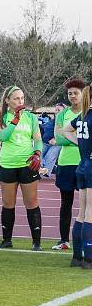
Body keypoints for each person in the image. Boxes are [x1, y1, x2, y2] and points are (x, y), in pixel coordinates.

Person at [0, 86, 43, 250]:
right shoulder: (1, 117)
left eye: (22, 98)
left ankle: (36, 243)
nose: (20, 102)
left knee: (32, 202)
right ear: (7, 101)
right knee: (8, 203)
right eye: (16, 98)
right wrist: (15, 119)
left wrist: (37, 152)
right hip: (8, 164)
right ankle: (7, 240)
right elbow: (3, 136)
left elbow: (38, 139)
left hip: (27, 165)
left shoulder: (30, 117)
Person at [52, 80, 84, 250]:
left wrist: (72, 138)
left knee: (87, 204)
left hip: (84, 163)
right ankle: (64, 240)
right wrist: (82, 140)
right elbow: (59, 139)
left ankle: (85, 240)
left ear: (83, 93)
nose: (72, 96)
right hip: (65, 163)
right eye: (70, 93)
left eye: (76, 93)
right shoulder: (62, 115)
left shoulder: (88, 113)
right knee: (66, 203)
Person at [64, 85, 92, 268]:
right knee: (90, 212)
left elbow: (66, 130)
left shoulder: (83, 115)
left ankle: (76, 257)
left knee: (82, 212)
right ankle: (89, 259)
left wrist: (80, 144)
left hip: (82, 164)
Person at [41, 104, 65, 175]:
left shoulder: (66, 122)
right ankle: (39, 170)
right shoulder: (51, 121)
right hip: (45, 142)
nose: (57, 111)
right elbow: (43, 128)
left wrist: (56, 140)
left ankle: (46, 172)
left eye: (59, 110)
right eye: (56, 110)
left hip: (57, 144)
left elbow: (66, 133)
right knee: (38, 153)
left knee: (50, 155)